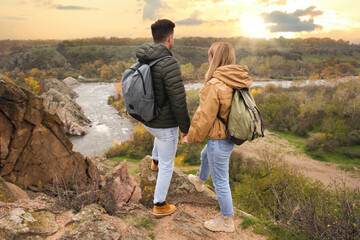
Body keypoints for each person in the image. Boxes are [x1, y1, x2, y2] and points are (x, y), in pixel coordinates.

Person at [182, 42, 252, 232]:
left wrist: (191, 136)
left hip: (219, 139)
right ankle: (199, 181)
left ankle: (226, 220)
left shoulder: (215, 84)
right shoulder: (238, 79)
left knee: (221, 181)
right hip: (230, 137)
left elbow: (204, 116)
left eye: (209, 55)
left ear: (213, 58)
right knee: (205, 155)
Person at [136, 19, 190, 217]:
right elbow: (179, 100)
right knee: (169, 166)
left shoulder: (143, 58)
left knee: (158, 137)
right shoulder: (169, 63)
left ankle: (154, 161)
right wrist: (185, 128)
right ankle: (160, 205)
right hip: (164, 124)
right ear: (170, 37)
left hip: (146, 119)